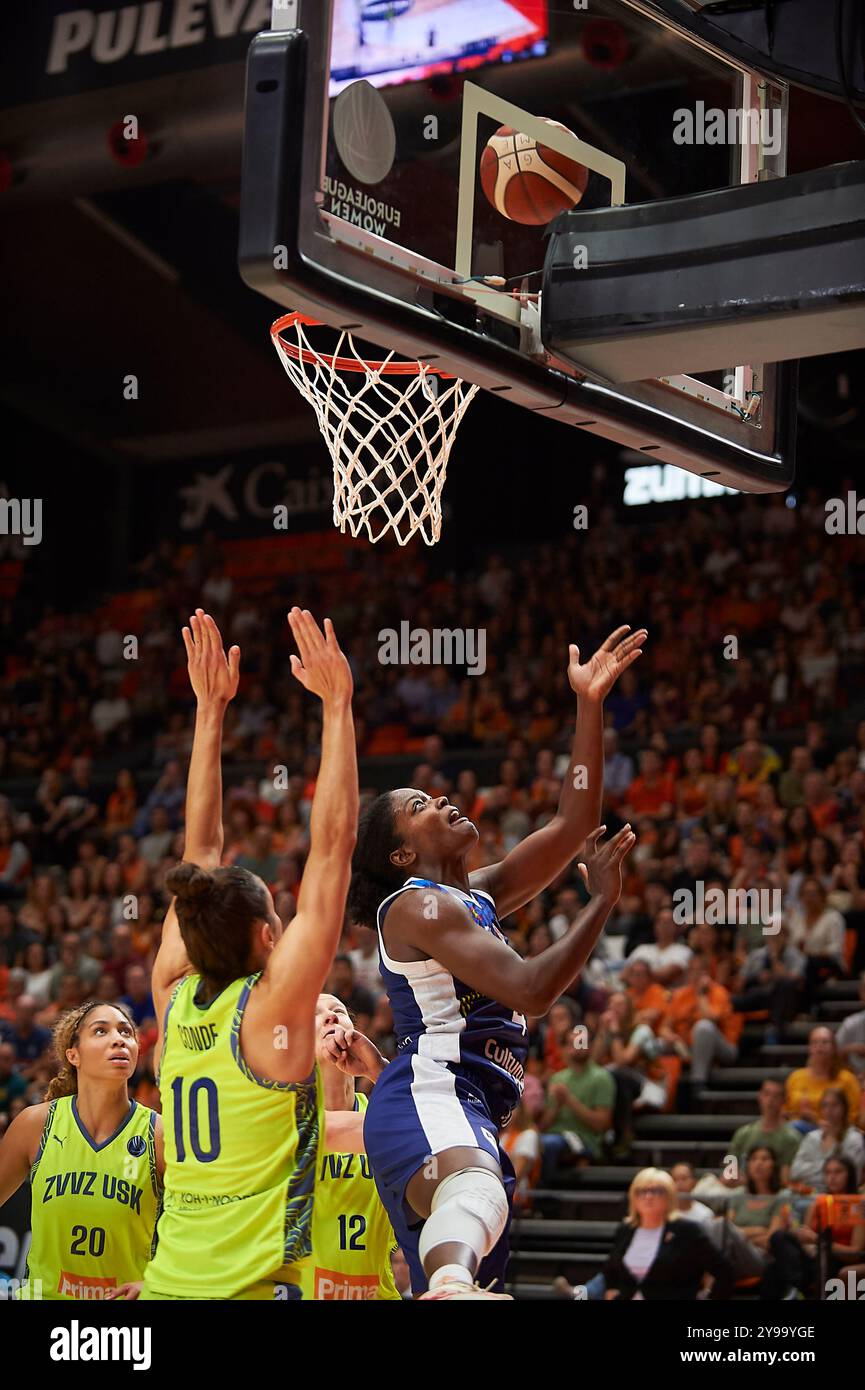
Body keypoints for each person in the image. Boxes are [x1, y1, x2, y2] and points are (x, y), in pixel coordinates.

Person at [348, 626, 645, 1299]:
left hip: (469, 1105)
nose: (443, 800)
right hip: (431, 1097)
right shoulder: (419, 908)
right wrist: (598, 903)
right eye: (420, 806)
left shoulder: (471, 896)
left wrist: (588, 704)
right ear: (400, 855)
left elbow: (573, 824)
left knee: (480, 1252)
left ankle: (451, 1280)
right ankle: (450, 1280)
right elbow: (535, 990)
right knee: (473, 1209)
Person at [140, 607, 358, 1300]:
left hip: (169, 1281)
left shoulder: (171, 994)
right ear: (268, 936)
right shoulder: (270, 1013)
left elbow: (198, 853)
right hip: (251, 1286)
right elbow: (331, 851)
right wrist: (336, 707)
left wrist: (208, 712)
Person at [0, 1001, 162, 1299]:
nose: (119, 1039)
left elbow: (200, 1221)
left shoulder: (158, 1134)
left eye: (126, 1032)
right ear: (73, 1055)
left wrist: (160, 1280)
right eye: (101, 1030)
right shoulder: (35, 1124)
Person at [296, 995, 399, 1301]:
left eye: (338, 1011)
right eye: (314, 1014)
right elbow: (417, 1123)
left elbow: (439, 1133)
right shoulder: (280, 1117)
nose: (330, 1017)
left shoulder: (382, 1114)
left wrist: (379, 1070)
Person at [601, 1168, 732, 1300]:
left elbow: (724, 1271)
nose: (648, 1196)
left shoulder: (687, 1231)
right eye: (641, 1191)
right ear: (633, 1197)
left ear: (669, 1196)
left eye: (656, 1191)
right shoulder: (626, 1229)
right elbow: (611, 1267)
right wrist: (611, 1289)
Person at [706, 1145, 797, 1295]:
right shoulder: (738, 1195)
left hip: (761, 1258)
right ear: (748, 1165)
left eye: (764, 1159)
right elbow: (726, 1234)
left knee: (719, 1228)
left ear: (774, 1165)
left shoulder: (781, 1197)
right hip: (733, 1254)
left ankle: (708, 1291)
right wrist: (756, 1231)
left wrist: (739, 1236)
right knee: (713, 1227)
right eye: (754, 1159)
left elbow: (771, 1240)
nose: (758, 1163)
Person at [661, 955, 742, 1097]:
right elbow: (664, 1027)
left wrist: (701, 994)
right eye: (691, 970)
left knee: (703, 1027)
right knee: (657, 1043)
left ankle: (698, 1082)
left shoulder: (718, 992)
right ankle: (656, 1089)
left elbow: (710, 1018)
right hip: (687, 1047)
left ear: (707, 974)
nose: (694, 974)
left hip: (724, 1047)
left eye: (699, 971)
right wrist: (670, 1036)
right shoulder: (681, 995)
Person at [540, 1025, 616, 1177]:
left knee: (548, 1144)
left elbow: (601, 1125)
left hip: (584, 1139)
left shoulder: (602, 1078)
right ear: (565, 1048)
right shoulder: (557, 1078)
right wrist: (557, 1106)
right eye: (573, 1043)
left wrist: (569, 1100)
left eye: (582, 1042)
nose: (578, 1046)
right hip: (555, 1135)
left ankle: (544, 1193)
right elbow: (544, 1125)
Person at [784, 1026, 861, 1135]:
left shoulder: (847, 1079)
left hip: (835, 1132)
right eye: (815, 1042)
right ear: (809, 1048)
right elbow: (786, 1111)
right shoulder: (796, 1077)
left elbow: (853, 1117)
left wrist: (816, 1120)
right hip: (796, 1131)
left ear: (834, 1048)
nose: (819, 1046)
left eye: (825, 1042)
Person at [726, 1078, 802, 1187]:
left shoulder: (792, 1138)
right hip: (742, 1190)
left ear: (784, 1100)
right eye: (766, 1094)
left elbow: (786, 1179)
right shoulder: (743, 1133)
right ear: (760, 1096)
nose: (770, 1100)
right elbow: (728, 1173)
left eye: (776, 1096)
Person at [788, 1087, 865, 1192]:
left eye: (834, 1105)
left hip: (841, 1195)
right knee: (784, 1197)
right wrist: (828, 1169)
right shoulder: (812, 1138)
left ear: (844, 1108)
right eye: (825, 1105)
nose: (829, 1110)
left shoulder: (854, 1139)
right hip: (809, 1193)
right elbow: (795, 1172)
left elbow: (853, 1178)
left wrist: (810, 1171)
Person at [836, 970, 865, 1078]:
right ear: (861, 993)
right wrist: (850, 1049)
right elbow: (834, 1053)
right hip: (854, 1079)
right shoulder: (851, 1023)